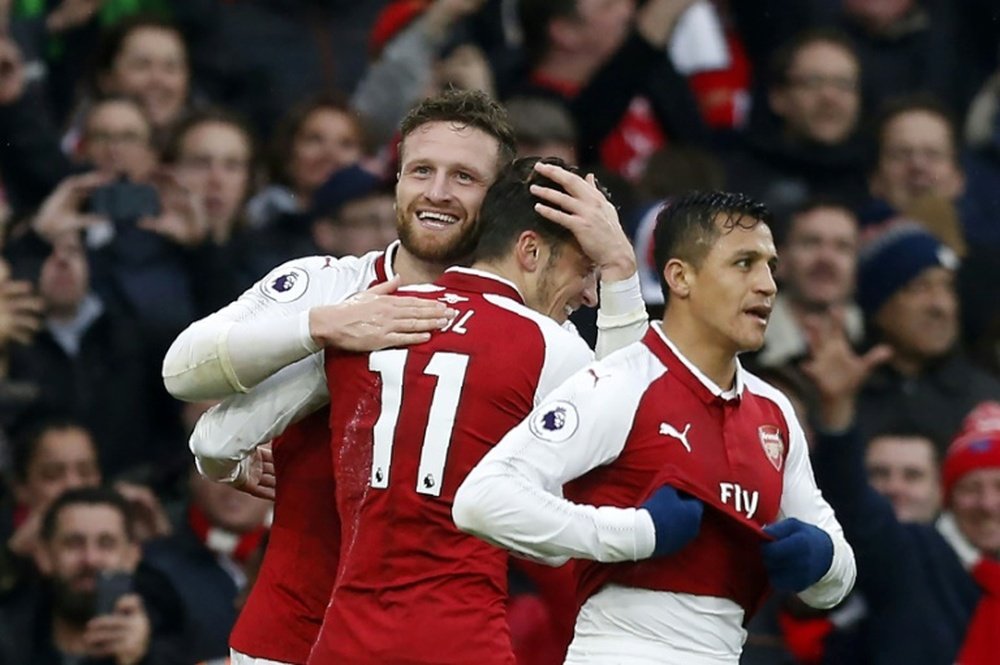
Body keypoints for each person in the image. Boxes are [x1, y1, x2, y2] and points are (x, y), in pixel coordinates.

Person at [168, 89, 645, 665]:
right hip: (297, 639)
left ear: (496, 201)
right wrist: (320, 326)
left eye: (464, 177)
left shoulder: (539, 334)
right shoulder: (331, 288)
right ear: (396, 180)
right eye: (421, 170)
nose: (437, 192)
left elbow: (214, 438)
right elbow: (181, 370)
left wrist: (223, 455)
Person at [453, 191, 856, 664]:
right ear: (680, 277)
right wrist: (638, 532)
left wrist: (823, 562)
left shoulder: (774, 412)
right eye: (744, 264)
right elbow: (482, 500)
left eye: (770, 265)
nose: (767, 284)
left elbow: (839, 569)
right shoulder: (621, 381)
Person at [299, 156, 610, 663]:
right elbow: (628, 459)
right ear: (530, 251)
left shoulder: (368, 317)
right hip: (458, 638)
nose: (589, 293)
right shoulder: (547, 345)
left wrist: (235, 465)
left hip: (342, 639)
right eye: (585, 269)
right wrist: (622, 271)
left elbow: (216, 439)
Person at [854, 221, 1000, 453]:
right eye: (920, 288)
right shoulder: (845, 394)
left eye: (948, 287)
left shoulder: (988, 401)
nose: (940, 306)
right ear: (879, 308)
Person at [0, 487, 185, 665]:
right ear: (44, 556)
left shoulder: (175, 636)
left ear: (132, 556)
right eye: (73, 543)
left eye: (106, 544)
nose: (90, 559)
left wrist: (141, 660)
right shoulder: (9, 641)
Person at [754, 199, 861, 370]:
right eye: (811, 243)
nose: (826, 258)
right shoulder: (745, 346)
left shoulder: (877, 342)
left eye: (842, 247)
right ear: (779, 261)